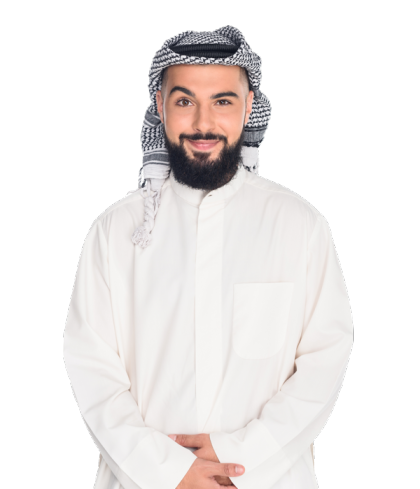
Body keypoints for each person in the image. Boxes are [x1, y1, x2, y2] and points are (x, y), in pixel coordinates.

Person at [63, 26, 353, 489]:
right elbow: (92, 370)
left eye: (222, 101)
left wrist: (239, 458)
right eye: (184, 101)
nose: (203, 123)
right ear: (160, 106)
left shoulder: (299, 225)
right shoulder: (115, 231)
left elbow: (324, 362)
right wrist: (169, 470)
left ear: (248, 106)